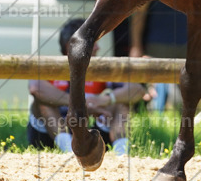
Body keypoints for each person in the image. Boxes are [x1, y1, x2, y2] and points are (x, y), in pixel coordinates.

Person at [27, 18, 145, 155]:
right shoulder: (52, 68)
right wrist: (83, 105)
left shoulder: (101, 69)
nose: (98, 47)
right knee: (41, 104)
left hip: (92, 132)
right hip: (49, 137)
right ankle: (70, 153)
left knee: (121, 103)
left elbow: (138, 89)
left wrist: (107, 99)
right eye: (93, 42)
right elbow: (35, 88)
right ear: (71, 45)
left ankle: (122, 154)